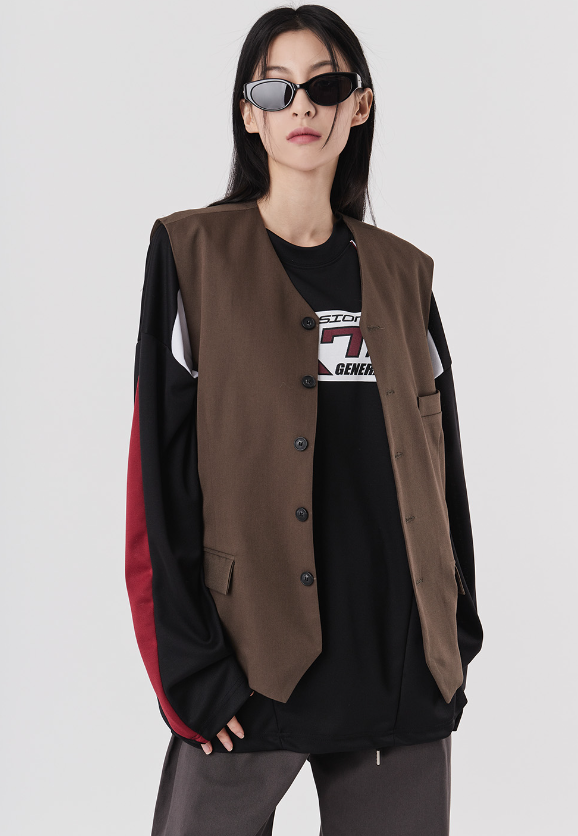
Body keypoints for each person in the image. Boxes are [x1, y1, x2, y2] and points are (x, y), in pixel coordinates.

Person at [125, 5, 484, 835]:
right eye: (275, 89)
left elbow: (442, 471)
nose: (302, 108)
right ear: (248, 113)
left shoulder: (404, 275)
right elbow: (158, 487)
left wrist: (455, 636)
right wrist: (193, 674)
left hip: (399, 671)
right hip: (248, 673)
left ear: (359, 104)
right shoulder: (192, 256)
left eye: (325, 86)